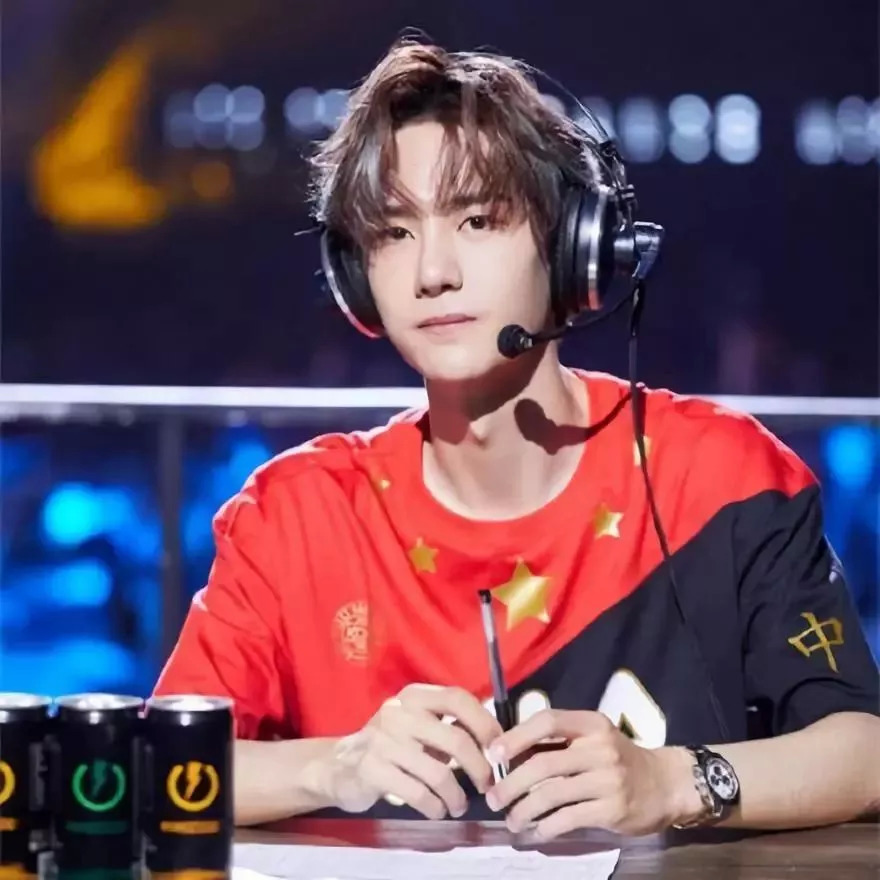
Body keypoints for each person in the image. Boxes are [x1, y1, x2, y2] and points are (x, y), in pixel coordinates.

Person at [154, 39, 880, 839]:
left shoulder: (723, 480)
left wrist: (672, 780)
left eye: (477, 220)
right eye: (393, 233)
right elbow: (156, 766)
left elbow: (864, 751)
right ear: (356, 277)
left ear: (574, 247)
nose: (433, 272)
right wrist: (335, 765)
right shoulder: (295, 514)